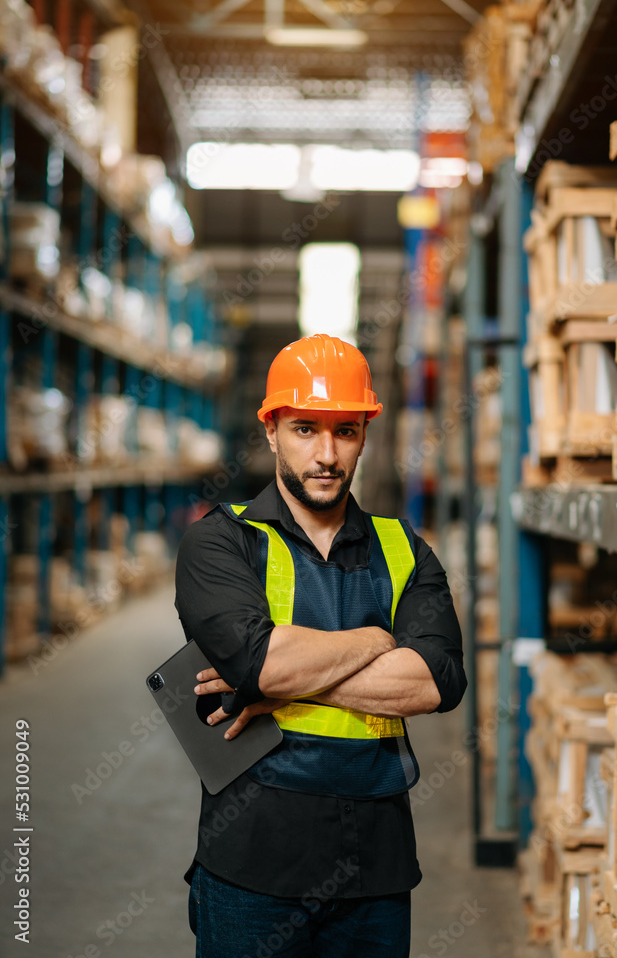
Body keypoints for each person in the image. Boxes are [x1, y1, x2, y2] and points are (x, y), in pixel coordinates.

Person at [174, 333, 466, 958]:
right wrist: (376, 638)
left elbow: (436, 681)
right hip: (251, 867)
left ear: (366, 433)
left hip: (376, 871)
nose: (327, 454)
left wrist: (273, 680)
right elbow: (261, 661)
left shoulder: (403, 548)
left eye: (346, 431)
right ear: (272, 429)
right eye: (306, 429)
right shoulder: (221, 543)